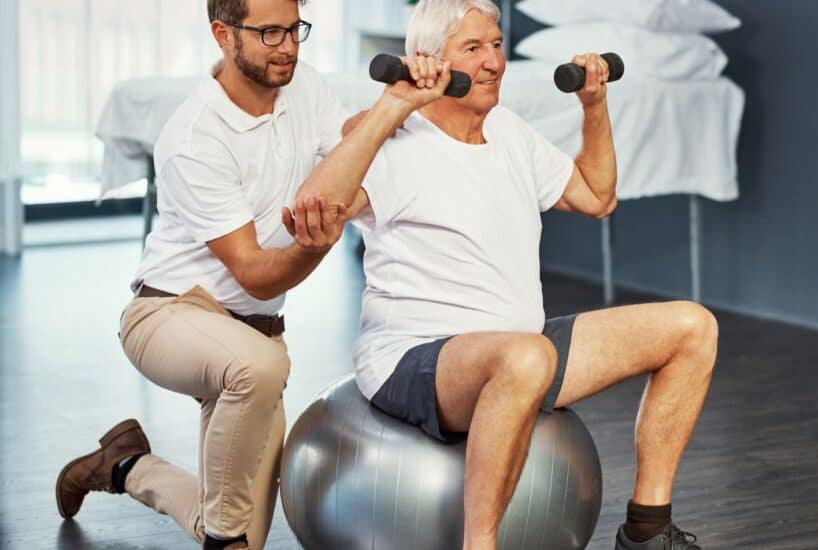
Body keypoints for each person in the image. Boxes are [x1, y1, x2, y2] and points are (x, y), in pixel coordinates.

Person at [299, 1, 719, 548]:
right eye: (472, 48)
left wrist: (594, 106)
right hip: (416, 356)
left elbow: (597, 196)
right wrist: (392, 105)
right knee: (527, 357)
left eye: (495, 44)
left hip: (520, 345)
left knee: (692, 327)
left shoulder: (508, 131)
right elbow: (317, 208)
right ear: (429, 61)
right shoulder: (394, 143)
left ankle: (647, 530)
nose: (494, 61)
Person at [53, 0, 397, 548]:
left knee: (235, 531)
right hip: (169, 313)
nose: (287, 46)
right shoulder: (195, 136)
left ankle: (124, 465)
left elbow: (347, 146)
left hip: (252, 336)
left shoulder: (302, 85)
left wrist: (396, 108)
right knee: (260, 370)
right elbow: (257, 275)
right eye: (269, 33)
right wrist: (320, 240)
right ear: (223, 33)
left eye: (294, 29)